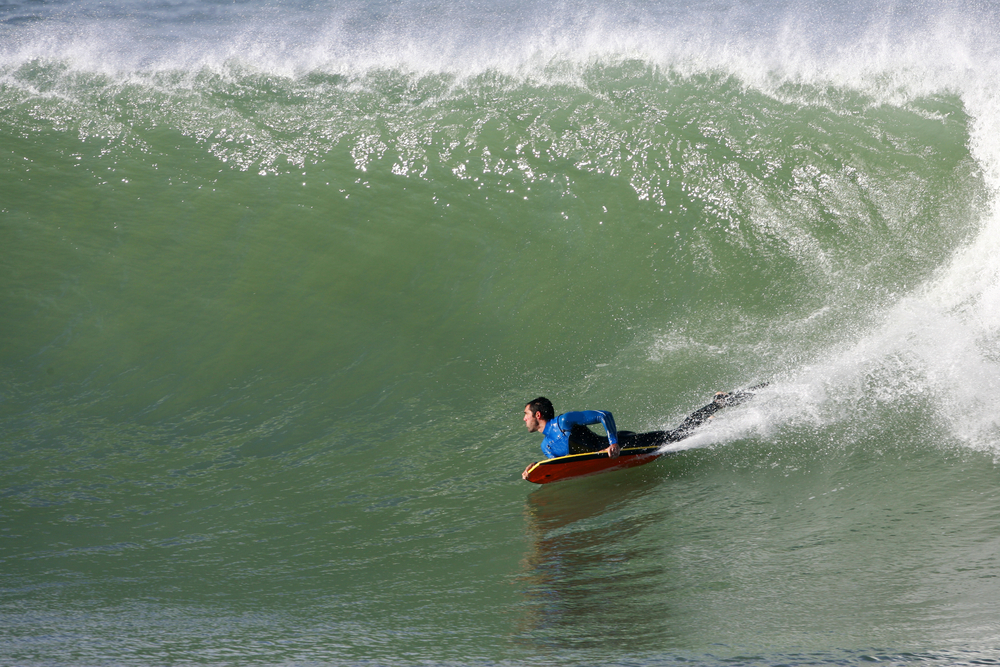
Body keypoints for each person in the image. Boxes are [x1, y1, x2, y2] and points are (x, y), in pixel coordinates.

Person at [522, 387, 762, 480]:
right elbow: (568, 467)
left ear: (538, 414)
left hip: (626, 443)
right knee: (681, 433)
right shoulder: (547, 448)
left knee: (681, 434)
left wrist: (613, 443)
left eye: (526, 414)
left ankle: (718, 403)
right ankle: (710, 415)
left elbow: (604, 415)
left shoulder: (564, 422)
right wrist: (537, 468)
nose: (524, 419)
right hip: (613, 452)